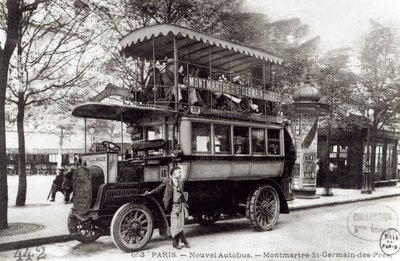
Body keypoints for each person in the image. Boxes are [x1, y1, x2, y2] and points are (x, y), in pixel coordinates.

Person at [145, 166, 190, 249]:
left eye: (181, 172)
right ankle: (177, 243)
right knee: (174, 225)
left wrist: (185, 204)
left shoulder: (181, 183)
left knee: (180, 224)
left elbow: (182, 195)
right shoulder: (168, 181)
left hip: (180, 206)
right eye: (179, 172)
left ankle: (182, 241)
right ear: (174, 173)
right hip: (172, 206)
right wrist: (150, 193)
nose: (181, 174)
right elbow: (158, 189)